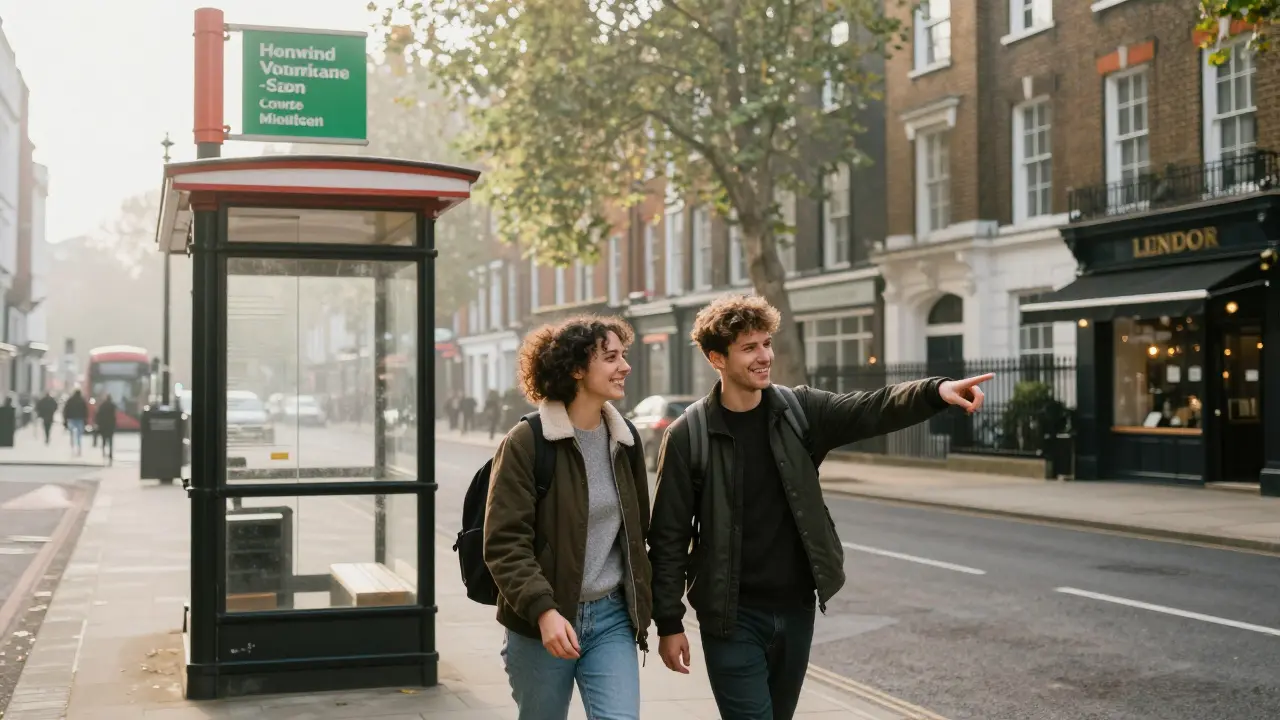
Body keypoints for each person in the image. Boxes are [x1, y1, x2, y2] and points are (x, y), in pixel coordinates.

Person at [648, 294, 993, 720]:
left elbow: (872, 408)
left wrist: (935, 391)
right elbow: (667, 539)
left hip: (796, 610)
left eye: (767, 343)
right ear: (716, 357)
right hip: (731, 618)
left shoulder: (799, 411)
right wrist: (669, 622)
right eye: (749, 347)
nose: (765, 356)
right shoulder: (689, 435)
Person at [484, 315, 652, 720]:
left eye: (623, 355)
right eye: (611, 357)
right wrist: (544, 612)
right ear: (577, 369)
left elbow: (638, 534)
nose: (625, 366)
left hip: (612, 617)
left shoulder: (624, 438)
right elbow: (505, 543)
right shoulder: (527, 441)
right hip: (543, 619)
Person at [63, 389, 88, 456]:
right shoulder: (82, 401)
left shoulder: (70, 400)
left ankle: (72, 448)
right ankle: (79, 449)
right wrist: (85, 420)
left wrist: (65, 420)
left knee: (72, 434)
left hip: (71, 419)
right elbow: (85, 411)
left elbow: (66, 410)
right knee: (79, 435)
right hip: (80, 419)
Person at [96, 394, 118, 464]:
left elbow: (98, 415)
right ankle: (110, 453)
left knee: (104, 440)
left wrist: (98, 423)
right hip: (110, 425)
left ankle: (103, 452)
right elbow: (114, 416)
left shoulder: (102, 406)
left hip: (103, 425)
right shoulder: (112, 406)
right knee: (110, 440)